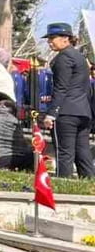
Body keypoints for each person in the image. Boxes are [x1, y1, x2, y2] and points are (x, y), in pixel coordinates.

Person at [43, 22, 94, 178]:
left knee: (64, 152)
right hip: (83, 112)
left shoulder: (63, 58)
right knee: (83, 153)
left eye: (52, 38)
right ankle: (90, 186)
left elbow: (61, 88)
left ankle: (62, 186)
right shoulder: (80, 57)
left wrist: (51, 113)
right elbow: (86, 88)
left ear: (65, 38)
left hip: (66, 112)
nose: (49, 42)